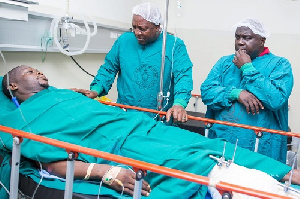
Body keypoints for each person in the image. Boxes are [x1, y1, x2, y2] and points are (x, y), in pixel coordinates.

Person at [0, 65, 299, 199]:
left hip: (139, 124)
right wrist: (105, 171)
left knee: (195, 141)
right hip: (116, 142)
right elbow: (48, 160)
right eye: (29, 71)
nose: (39, 74)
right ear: (13, 86)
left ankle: (284, 175)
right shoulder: (21, 119)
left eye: (39, 71)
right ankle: (257, 188)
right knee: (185, 160)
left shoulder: (69, 95)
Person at [72, 2, 193, 124]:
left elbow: (183, 76)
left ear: (157, 27)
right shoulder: (124, 41)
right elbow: (108, 69)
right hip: (126, 114)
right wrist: (96, 89)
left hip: (159, 117)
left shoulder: (174, 45)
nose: (137, 32)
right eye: (134, 27)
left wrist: (179, 103)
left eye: (143, 28)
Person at [200, 18, 294, 163]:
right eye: (237, 37)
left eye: (247, 38)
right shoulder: (225, 62)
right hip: (222, 141)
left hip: (260, 146)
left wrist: (247, 68)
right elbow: (207, 92)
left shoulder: (280, 64)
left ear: (262, 40)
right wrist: (236, 93)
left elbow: (276, 99)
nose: (240, 42)